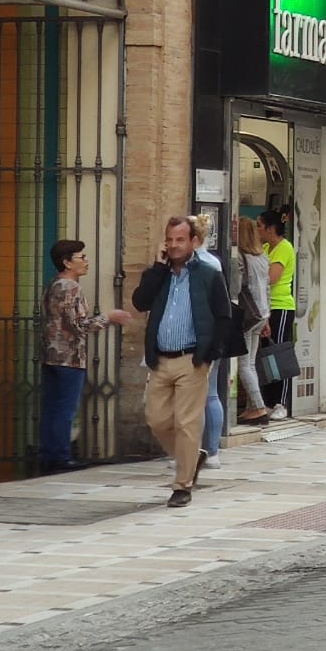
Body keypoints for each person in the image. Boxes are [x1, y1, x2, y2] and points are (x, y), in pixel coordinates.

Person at [131, 215, 233, 507]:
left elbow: (224, 315)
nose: (174, 245)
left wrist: (210, 353)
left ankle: (182, 485)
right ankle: (192, 457)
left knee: (187, 423)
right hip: (160, 359)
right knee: (157, 419)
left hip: (192, 359)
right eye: (170, 240)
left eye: (180, 240)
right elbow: (140, 302)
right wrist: (157, 269)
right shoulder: (160, 274)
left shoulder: (208, 274)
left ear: (193, 242)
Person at [39, 238, 131, 472]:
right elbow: (79, 325)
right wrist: (109, 317)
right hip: (69, 357)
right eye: (81, 257)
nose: (86, 261)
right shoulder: (71, 288)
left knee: (52, 407)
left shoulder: (53, 285)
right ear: (67, 262)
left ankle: (49, 453)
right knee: (65, 407)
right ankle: (60, 456)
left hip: (51, 355)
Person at [190, 215, 231, 457]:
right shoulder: (214, 262)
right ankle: (212, 451)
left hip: (198, 337)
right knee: (211, 393)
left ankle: (195, 451)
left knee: (196, 398)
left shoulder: (197, 265)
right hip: (212, 335)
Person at [257, 210, 298, 419]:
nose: (257, 230)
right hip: (264, 307)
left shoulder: (284, 248)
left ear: (270, 229)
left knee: (278, 353)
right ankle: (268, 401)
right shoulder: (265, 247)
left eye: (260, 226)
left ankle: (282, 402)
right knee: (265, 357)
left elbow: (271, 278)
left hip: (281, 307)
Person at [234, 214, 273, 426]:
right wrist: (267, 319)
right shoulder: (262, 258)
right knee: (250, 363)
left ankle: (258, 407)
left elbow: (237, 286)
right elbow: (267, 289)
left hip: (247, 316)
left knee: (244, 365)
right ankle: (252, 408)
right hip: (261, 314)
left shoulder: (241, 258)